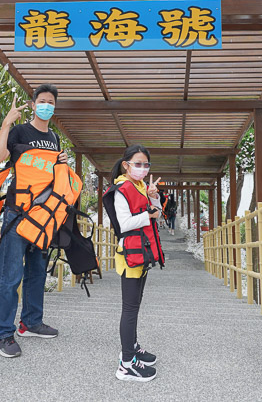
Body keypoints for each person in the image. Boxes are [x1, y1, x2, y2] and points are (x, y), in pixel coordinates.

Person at [0, 84, 68, 358]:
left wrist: (63, 162)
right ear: (33, 105)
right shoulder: (20, 132)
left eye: (51, 102)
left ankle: (31, 322)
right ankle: (2, 334)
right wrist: (6, 124)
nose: (47, 105)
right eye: (42, 101)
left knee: (37, 272)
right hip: (18, 212)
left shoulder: (55, 138)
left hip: (44, 217)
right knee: (10, 275)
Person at [107, 144, 165, 382]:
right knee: (130, 309)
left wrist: (155, 198)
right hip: (130, 256)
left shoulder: (141, 188)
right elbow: (124, 224)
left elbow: (158, 214)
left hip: (143, 254)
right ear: (126, 164)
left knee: (136, 305)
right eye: (137, 163)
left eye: (145, 164)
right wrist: (148, 214)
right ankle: (126, 364)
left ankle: (132, 346)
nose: (142, 168)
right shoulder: (122, 189)